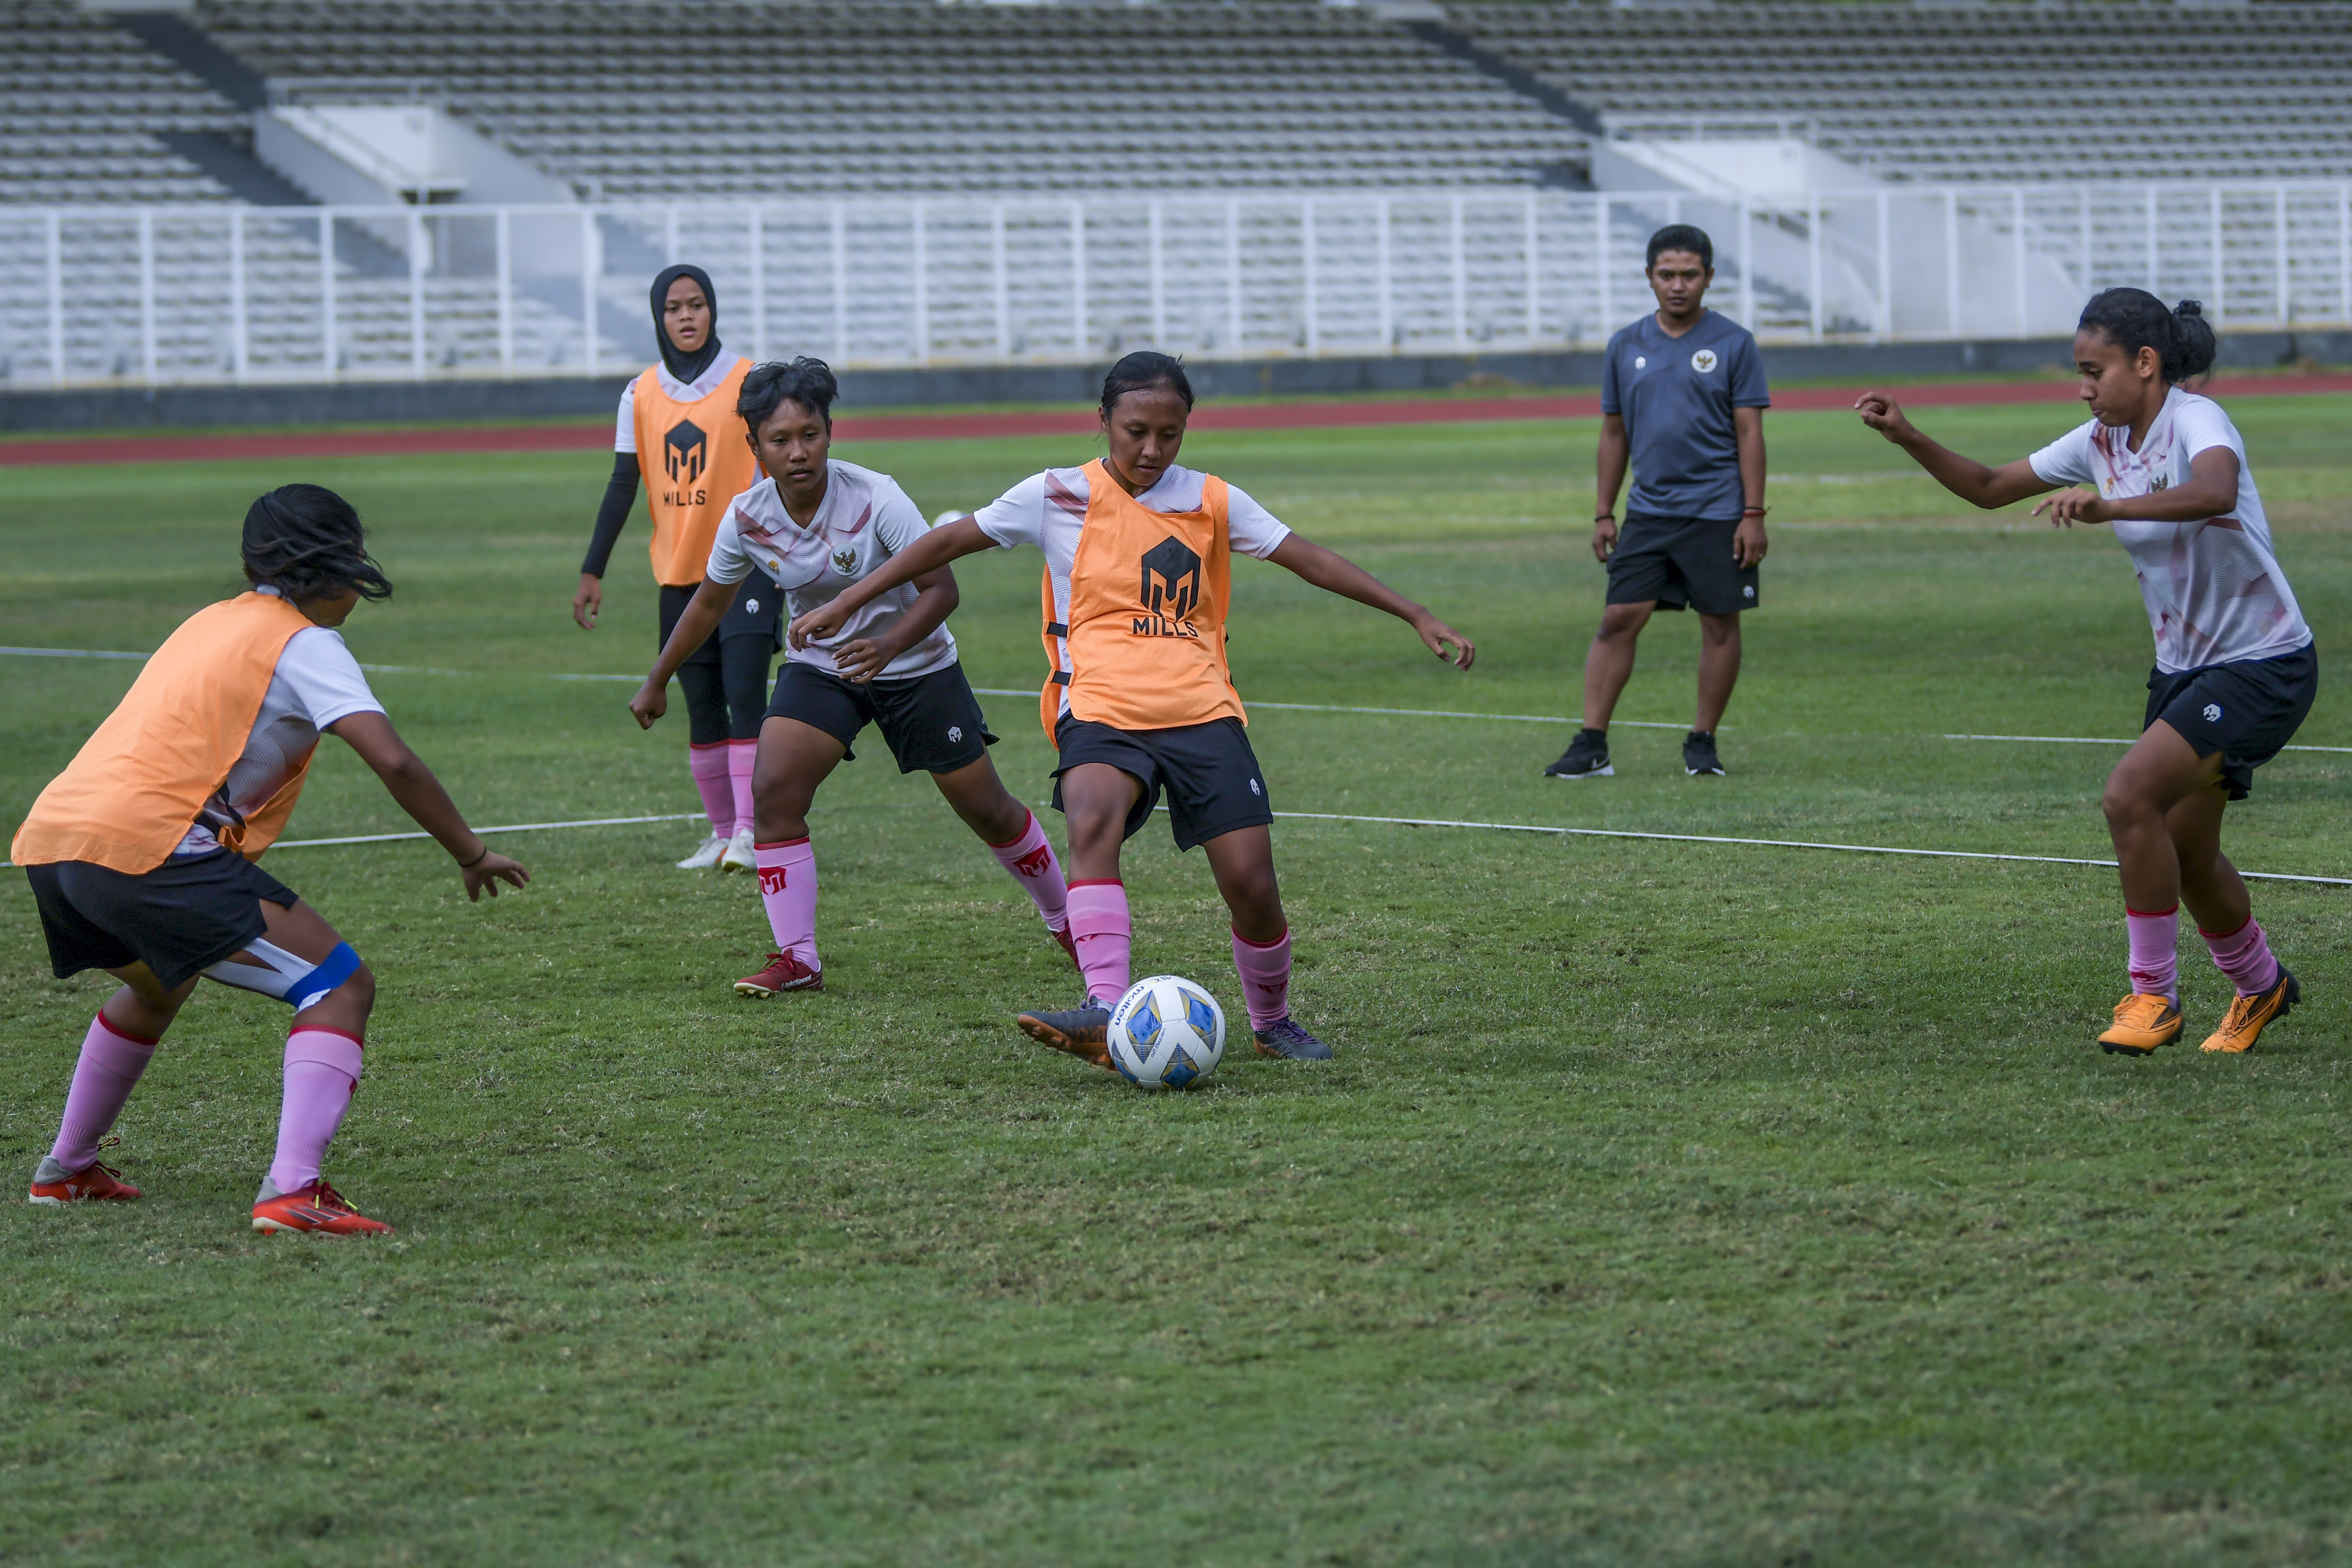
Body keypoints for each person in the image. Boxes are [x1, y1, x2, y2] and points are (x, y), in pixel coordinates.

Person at [787, 350, 1477, 1066]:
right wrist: (848, 600)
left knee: (1251, 884)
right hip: (1101, 706)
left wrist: (1414, 612)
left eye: (1168, 434)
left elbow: (1309, 559)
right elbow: (947, 541)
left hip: (1201, 707)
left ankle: (1272, 1022)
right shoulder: (1056, 494)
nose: (1151, 449)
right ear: (1104, 421)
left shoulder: (1212, 500)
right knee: (1092, 817)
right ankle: (1105, 1008)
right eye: (1135, 432)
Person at [15, 486, 529, 1233]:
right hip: (146, 847)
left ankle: (67, 1169)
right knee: (340, 985)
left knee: (159, 985)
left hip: (57, 841)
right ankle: (293, 1191)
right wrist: (471, 853)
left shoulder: (213, 620)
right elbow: (394, 760)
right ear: (339, 562)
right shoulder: (304, 643)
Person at [1856, 291, 2313, 1057]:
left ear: (2146, 363)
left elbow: (2215, 490)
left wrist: (2109, 508)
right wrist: (1907, 434)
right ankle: (2260, 982)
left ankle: (2152, 996)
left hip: (2262, 662)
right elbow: (1989, 487)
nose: (2083, 387)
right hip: (2183, 671)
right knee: (2186, 850)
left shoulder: (2196, 418)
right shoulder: (2099, 440)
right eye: (2080, 371)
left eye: (2094, 370)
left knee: (2128, 795)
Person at [629, 358, 1078, 998]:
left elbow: (942, 590)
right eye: (780, 440)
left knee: (987, 808)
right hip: (824, 667)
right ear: (754, 446)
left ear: (829, 432)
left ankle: (1067, 920)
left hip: (918, 666)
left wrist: (889, 644)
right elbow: (708, 603)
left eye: (809, 434)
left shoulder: (876, 497)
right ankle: (799, 959)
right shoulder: (747, 518)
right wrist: (657, 678)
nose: (798, 452)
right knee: (774, 789)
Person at [1548, 223, 1770, 781]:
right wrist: (1604, 511)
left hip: (1719, 510)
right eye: (1666, 274)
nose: (1677, 285)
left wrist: (1753, 514)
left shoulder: (1734, 343)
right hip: (1648, 511)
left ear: (1709, 277)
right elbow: (1614, 432)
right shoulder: (1625, 345)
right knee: (1619, 617)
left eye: (1689, 275)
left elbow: (1750, 433)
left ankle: (1703, 742)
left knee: (1719, 625)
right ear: (1649, 276)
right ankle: (1592, 744)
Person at [574, 263, 775, 874]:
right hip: (679, 575)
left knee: (745, 697)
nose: (686, 316)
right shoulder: (639, 393)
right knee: (702, 710)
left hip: (747, 567)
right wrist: (592, 570)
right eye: (673, 307)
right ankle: (721, 833)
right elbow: (622, 484)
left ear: (712, 309)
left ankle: (751, 833)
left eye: (696, 304)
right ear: (659, 317)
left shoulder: (749, 382)